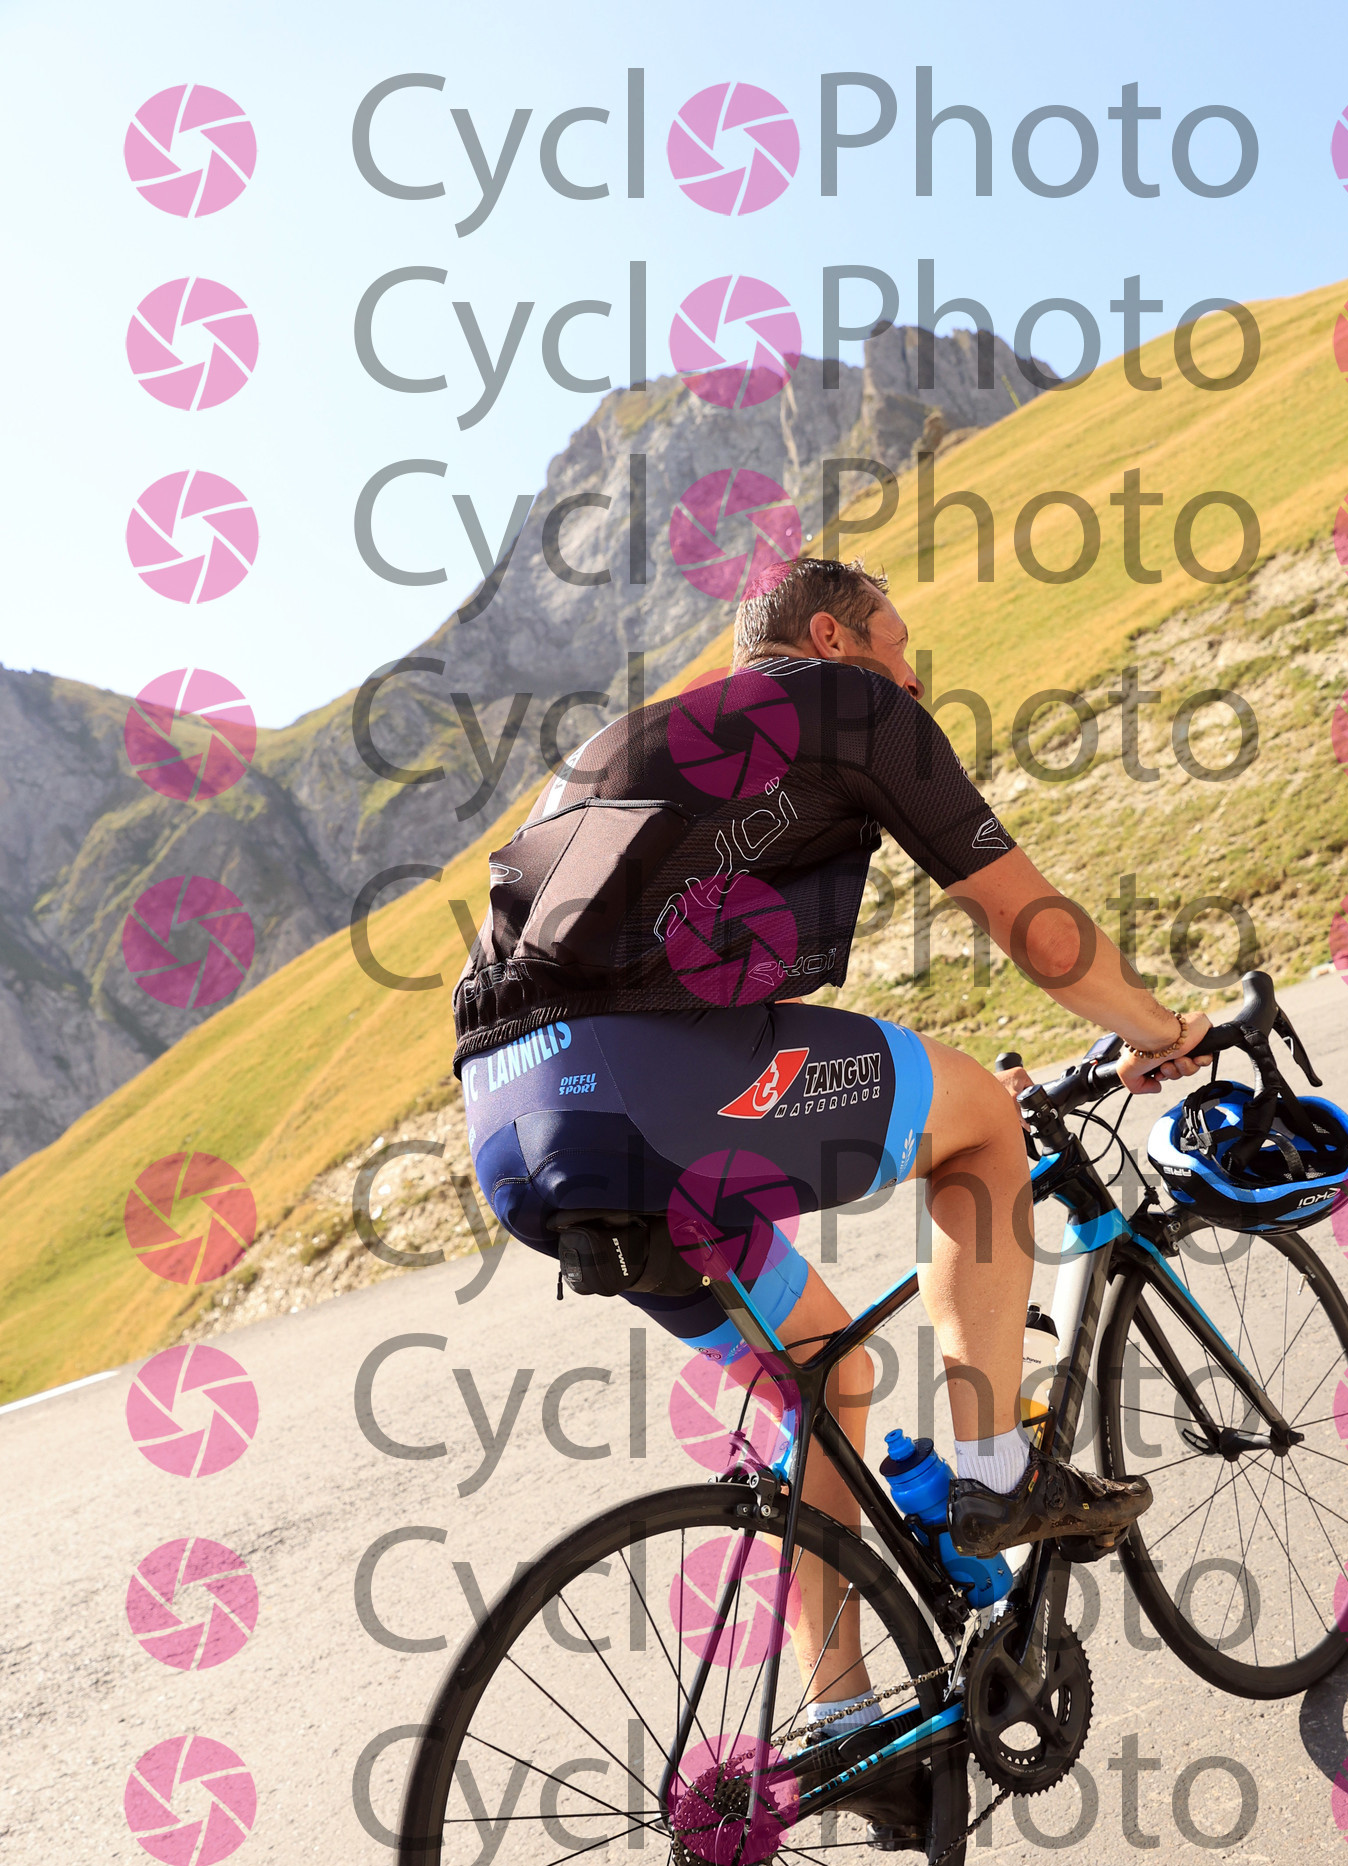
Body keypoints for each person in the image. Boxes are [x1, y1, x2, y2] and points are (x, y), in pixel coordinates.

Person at [453, 555, 1212, 1760]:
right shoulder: (850, 705)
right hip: (646, 1078)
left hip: (509, 1122)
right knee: (982, 1123)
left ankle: (845, 1726)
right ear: (830, 638)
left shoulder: (642, 740)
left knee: (823, 1372)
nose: (912, 678)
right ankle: (994, 1469)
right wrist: (1157, 1030)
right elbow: (1030, 924)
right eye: (900, 648)